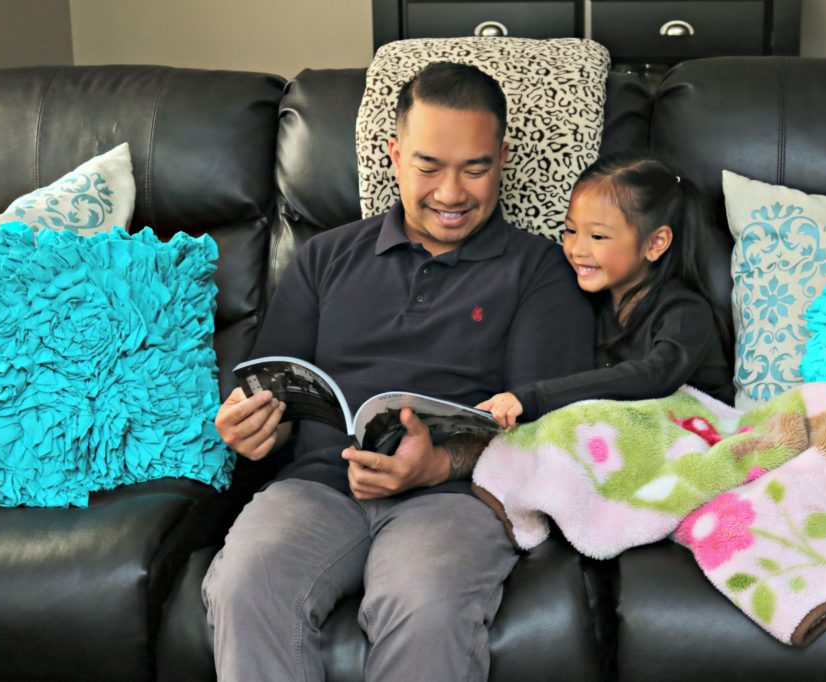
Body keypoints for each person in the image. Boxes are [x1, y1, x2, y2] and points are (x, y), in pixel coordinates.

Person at [201, 62, 593, 682]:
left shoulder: (540, 269)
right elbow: (274, 390)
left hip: (454, 498)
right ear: (394, 155)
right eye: (428, 165)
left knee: (423, 606)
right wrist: (255, 430)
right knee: (244, 584)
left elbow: (545, 427)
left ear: (503, 158)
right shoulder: (323, 257)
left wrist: (439, 464)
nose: (451, 193)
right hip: (318, 489)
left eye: (476, 167)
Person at [477, 152, 732, 429]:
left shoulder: (686, 312)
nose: (576, 250)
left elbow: (653, 376)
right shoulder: (589, 304)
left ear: (656, 243)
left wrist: (535, 397)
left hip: (698, 431)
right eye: (570, 230)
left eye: (597, 236)